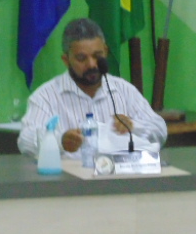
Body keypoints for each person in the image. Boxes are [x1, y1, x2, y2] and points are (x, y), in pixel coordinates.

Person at [18, 18, 167, 157]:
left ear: (106, 52)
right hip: (70, 175)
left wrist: (134, 126)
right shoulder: (46, 96)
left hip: (119, 173)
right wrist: (59, 140)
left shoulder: (124, 90)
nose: (92, 64)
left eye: (97, 55)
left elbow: (160, 130)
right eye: (81, 58)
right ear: (66, 60)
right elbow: (25, 140)